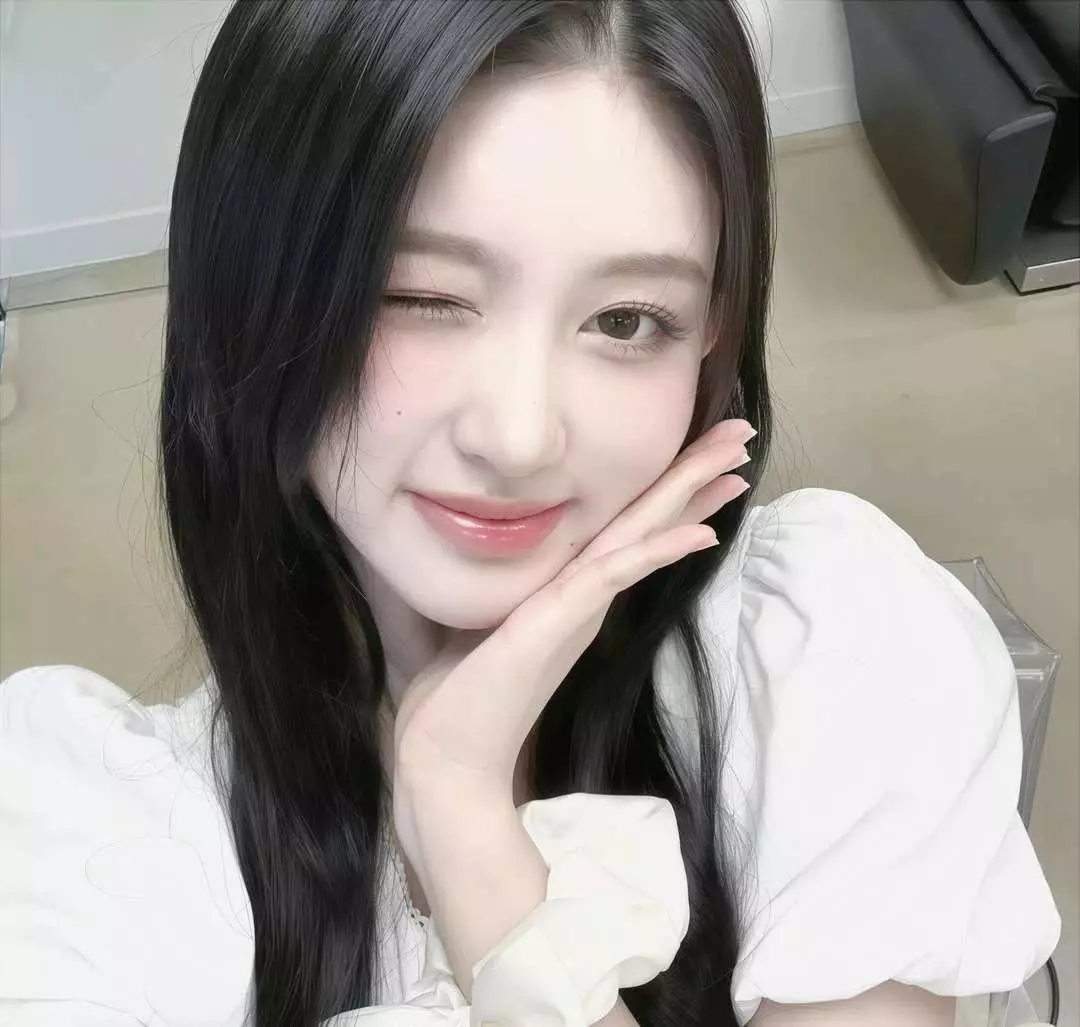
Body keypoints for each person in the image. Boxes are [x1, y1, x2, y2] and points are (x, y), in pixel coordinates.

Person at [0, 2, 1061, 1026]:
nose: (518, 436)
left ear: (712, 332)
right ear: (250, 291)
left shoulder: (829, 651)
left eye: (626, 319)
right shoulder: (80, 840)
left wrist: (468, 828)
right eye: (419, 296)